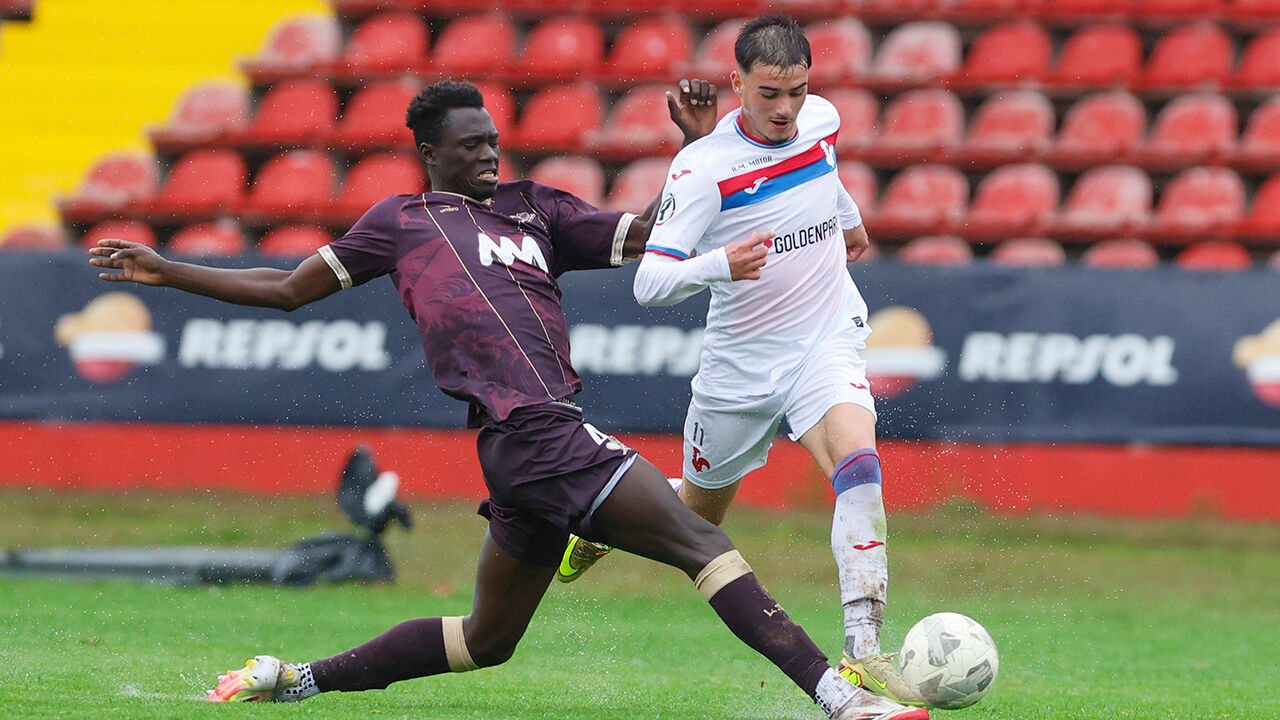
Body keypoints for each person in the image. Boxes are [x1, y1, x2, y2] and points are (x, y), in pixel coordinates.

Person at [87, 79, 927, 720]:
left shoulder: (539, 212)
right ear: (428, 151)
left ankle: (293, 680)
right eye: (470, 147)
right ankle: (844, 699)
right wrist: (168, 270)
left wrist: (701, 151)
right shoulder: (401, 221)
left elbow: (661, 236)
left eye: (494, 142)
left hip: (530, 446)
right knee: (703, 542)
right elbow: (285, 288)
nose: (489, 156)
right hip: (536, 433)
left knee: (485, 642)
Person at [555, 15, 927, 708]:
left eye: (797, 90)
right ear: (737, 84)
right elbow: (649, 283)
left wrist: (846, 217)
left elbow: (819, 170)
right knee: (698, 518)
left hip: (825, 338)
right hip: (741, 369)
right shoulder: (701, 168)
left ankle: (863, 650)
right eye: (769, 94)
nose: (786, 108)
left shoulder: (822, 119)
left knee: (859, 462)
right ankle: (602, 521)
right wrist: (721, 264)